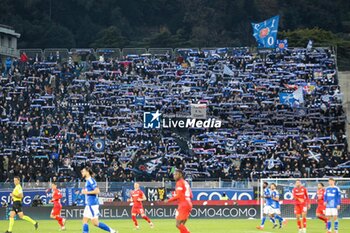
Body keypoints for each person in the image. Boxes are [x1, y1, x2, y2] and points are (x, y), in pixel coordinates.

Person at [81, 167, 117, 233]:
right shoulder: (87, 181)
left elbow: (97, 191)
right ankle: (112, 231)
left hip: (92, 204)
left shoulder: (91, 180)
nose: (82, 173)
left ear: (87, 172)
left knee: (95, 223)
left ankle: (112, 231)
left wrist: (87, 192)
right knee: (85, 220)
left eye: (83, 171)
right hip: (89, 204)